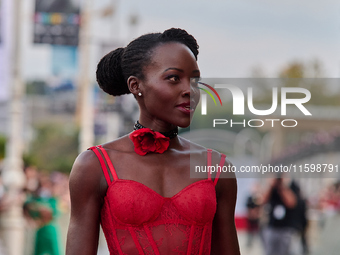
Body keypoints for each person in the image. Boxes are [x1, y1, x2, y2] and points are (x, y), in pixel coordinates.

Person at [66, 28, 240, 255]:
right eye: (174, 78)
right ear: (135, 86)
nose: (190, 90)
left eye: (195, 80)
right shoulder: (94, 165)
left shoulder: (217, 169)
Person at [262, 176, 297, 255]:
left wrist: (281, 187)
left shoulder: (288, 189)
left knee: (285, 252)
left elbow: (291, 203)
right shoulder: (272, 190)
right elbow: (263, 200)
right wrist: (271, 185)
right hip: (272, 227)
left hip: (285, 228)